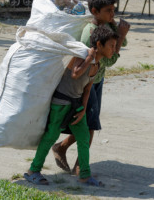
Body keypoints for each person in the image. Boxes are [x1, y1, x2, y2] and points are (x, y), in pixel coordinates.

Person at [24, 25, 119, 186]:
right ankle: (33, 171)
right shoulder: (82, 55)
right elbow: (75, 74)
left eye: (115, 46)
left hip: (76, 105)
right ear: (98, 45)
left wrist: (83, 110)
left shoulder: (98, 65)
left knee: (83, 137)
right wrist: (89, 59)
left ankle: (84, 175)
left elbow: (87, 89)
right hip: (61, 103)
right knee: (51, 135)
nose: (114, 49)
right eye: (111, 46)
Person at [52, 0, 130, 175]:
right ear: (95, 12)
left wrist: (118, 33)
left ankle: (61, 148)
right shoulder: (91, 33)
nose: (113, 14)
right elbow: (109, 60)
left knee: (88, 123)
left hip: (97, 80)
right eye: (108, 11)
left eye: (113, 10)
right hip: (87, 82)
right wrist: (121, 36)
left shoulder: (107, 27)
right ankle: (80, 167)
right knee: (91, 125)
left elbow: (121, 45)